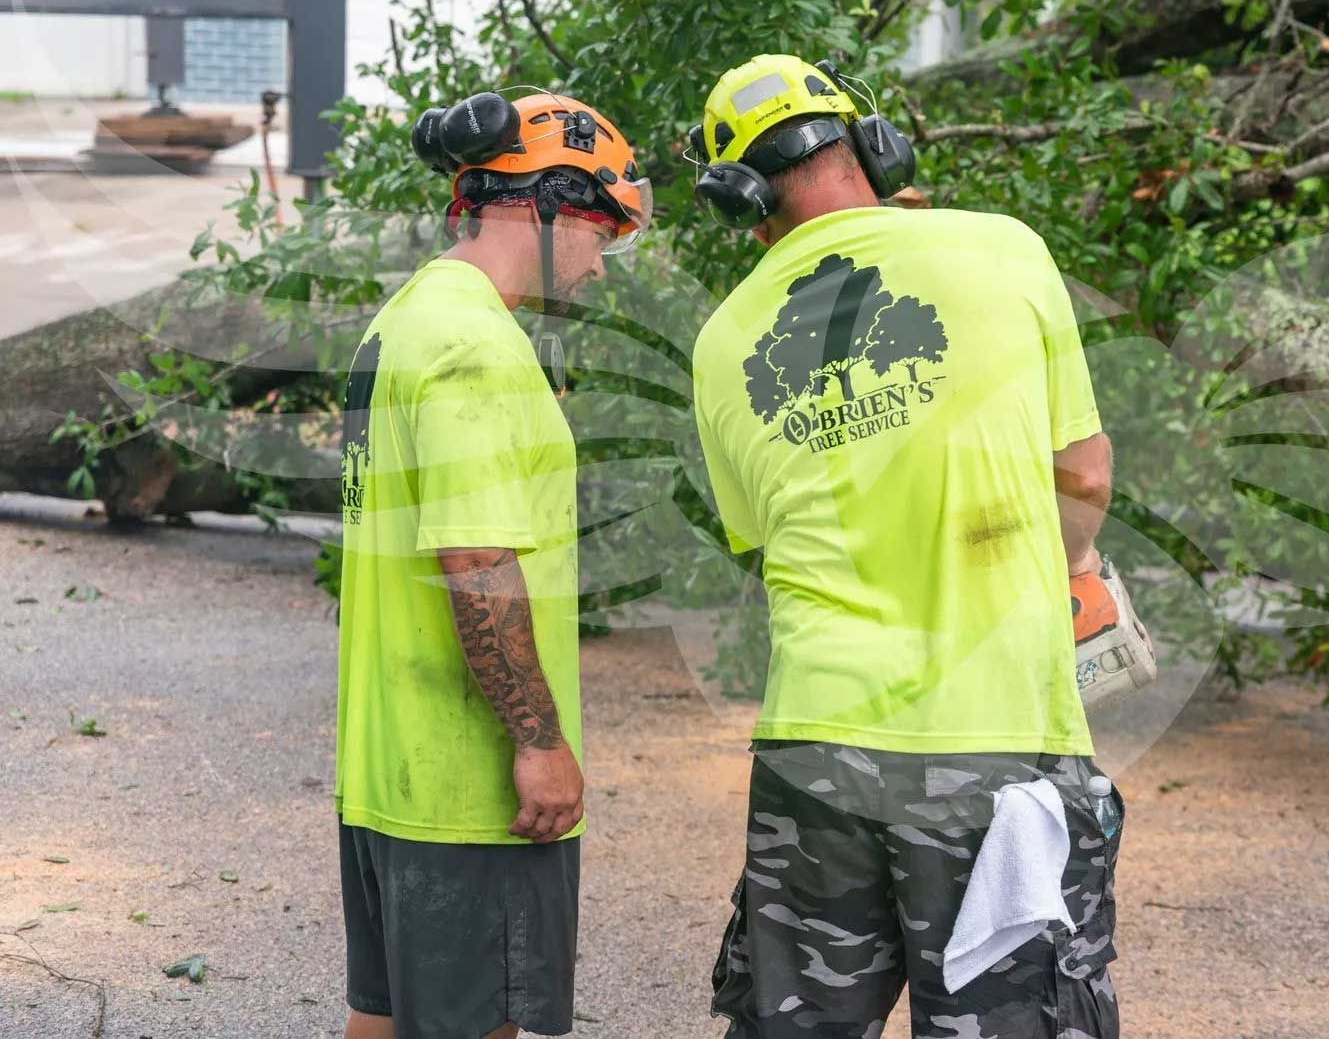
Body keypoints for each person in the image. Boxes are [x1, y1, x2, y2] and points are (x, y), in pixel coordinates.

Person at [687, 55, 1123, 1039]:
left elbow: (767, 544)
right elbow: (1084, 475)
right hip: (998, 737)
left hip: (816, 745)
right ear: (875, 147)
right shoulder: (1003, 251)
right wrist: (1070, 569)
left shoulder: (722, 341)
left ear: (742, 200)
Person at [334, 92, 650, 1039]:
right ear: (542, 209)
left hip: (387, 770)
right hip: (464, 790)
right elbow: (476, 558)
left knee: (384, 1021)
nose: (600, 262)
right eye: (602, 229)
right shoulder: (476, 347)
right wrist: (539, 741)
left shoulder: (406, 319)